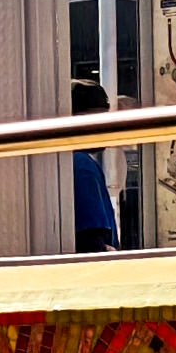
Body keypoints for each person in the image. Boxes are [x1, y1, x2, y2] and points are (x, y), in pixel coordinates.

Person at [70, 80, 124, 253]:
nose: (106, 127)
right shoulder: (82, 165)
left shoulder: (73, 162)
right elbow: (91, 243)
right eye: (98, 118)